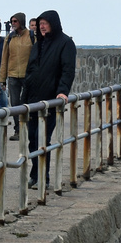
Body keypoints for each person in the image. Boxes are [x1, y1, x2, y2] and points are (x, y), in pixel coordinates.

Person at [23, 10, 77, 188]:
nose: (42, 26)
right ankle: (35, 174)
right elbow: (30, 71)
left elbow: (67, 70)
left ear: (54, 23)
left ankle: (42, 178)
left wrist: (63, 92)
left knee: (42, 139)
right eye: (40, 23)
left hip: (50, 101)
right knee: (32, 138)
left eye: (45, 23)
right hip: (32, 100)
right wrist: (24, 97)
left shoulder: (65, 43)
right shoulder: (38, 45)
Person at [3, 13, 33, 138]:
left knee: (28, 103)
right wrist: (2, 78)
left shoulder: (31, 36)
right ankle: (18, 130)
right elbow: (5, 58)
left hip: (28, 75)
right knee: (15, 104)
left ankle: (29, 129)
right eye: (12, 21)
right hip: (13, 75)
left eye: (15, 21)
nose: (13, 23)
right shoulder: (10, 37)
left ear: (21, 21)